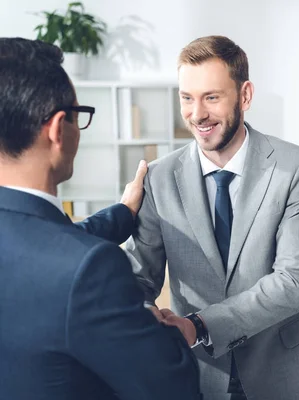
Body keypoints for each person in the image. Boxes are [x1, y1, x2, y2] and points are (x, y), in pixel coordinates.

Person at [125, 35, 299, 400]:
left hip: (288, 368)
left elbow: (293, 281)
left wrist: (196, 325)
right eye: (187, 97)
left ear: (244, 95)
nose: (197, 114)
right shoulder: (158, 178)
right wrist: (150, 319)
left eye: (211, 97)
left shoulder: (297, 168)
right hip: (197, 373)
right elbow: (137, 281)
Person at [0, 37, 201, 400]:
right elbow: (174, 389)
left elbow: (43, 241)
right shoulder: (92, 269)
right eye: (80, 116)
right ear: (58, 129)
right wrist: (161, 329)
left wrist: (123, 212)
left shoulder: (43, 248)